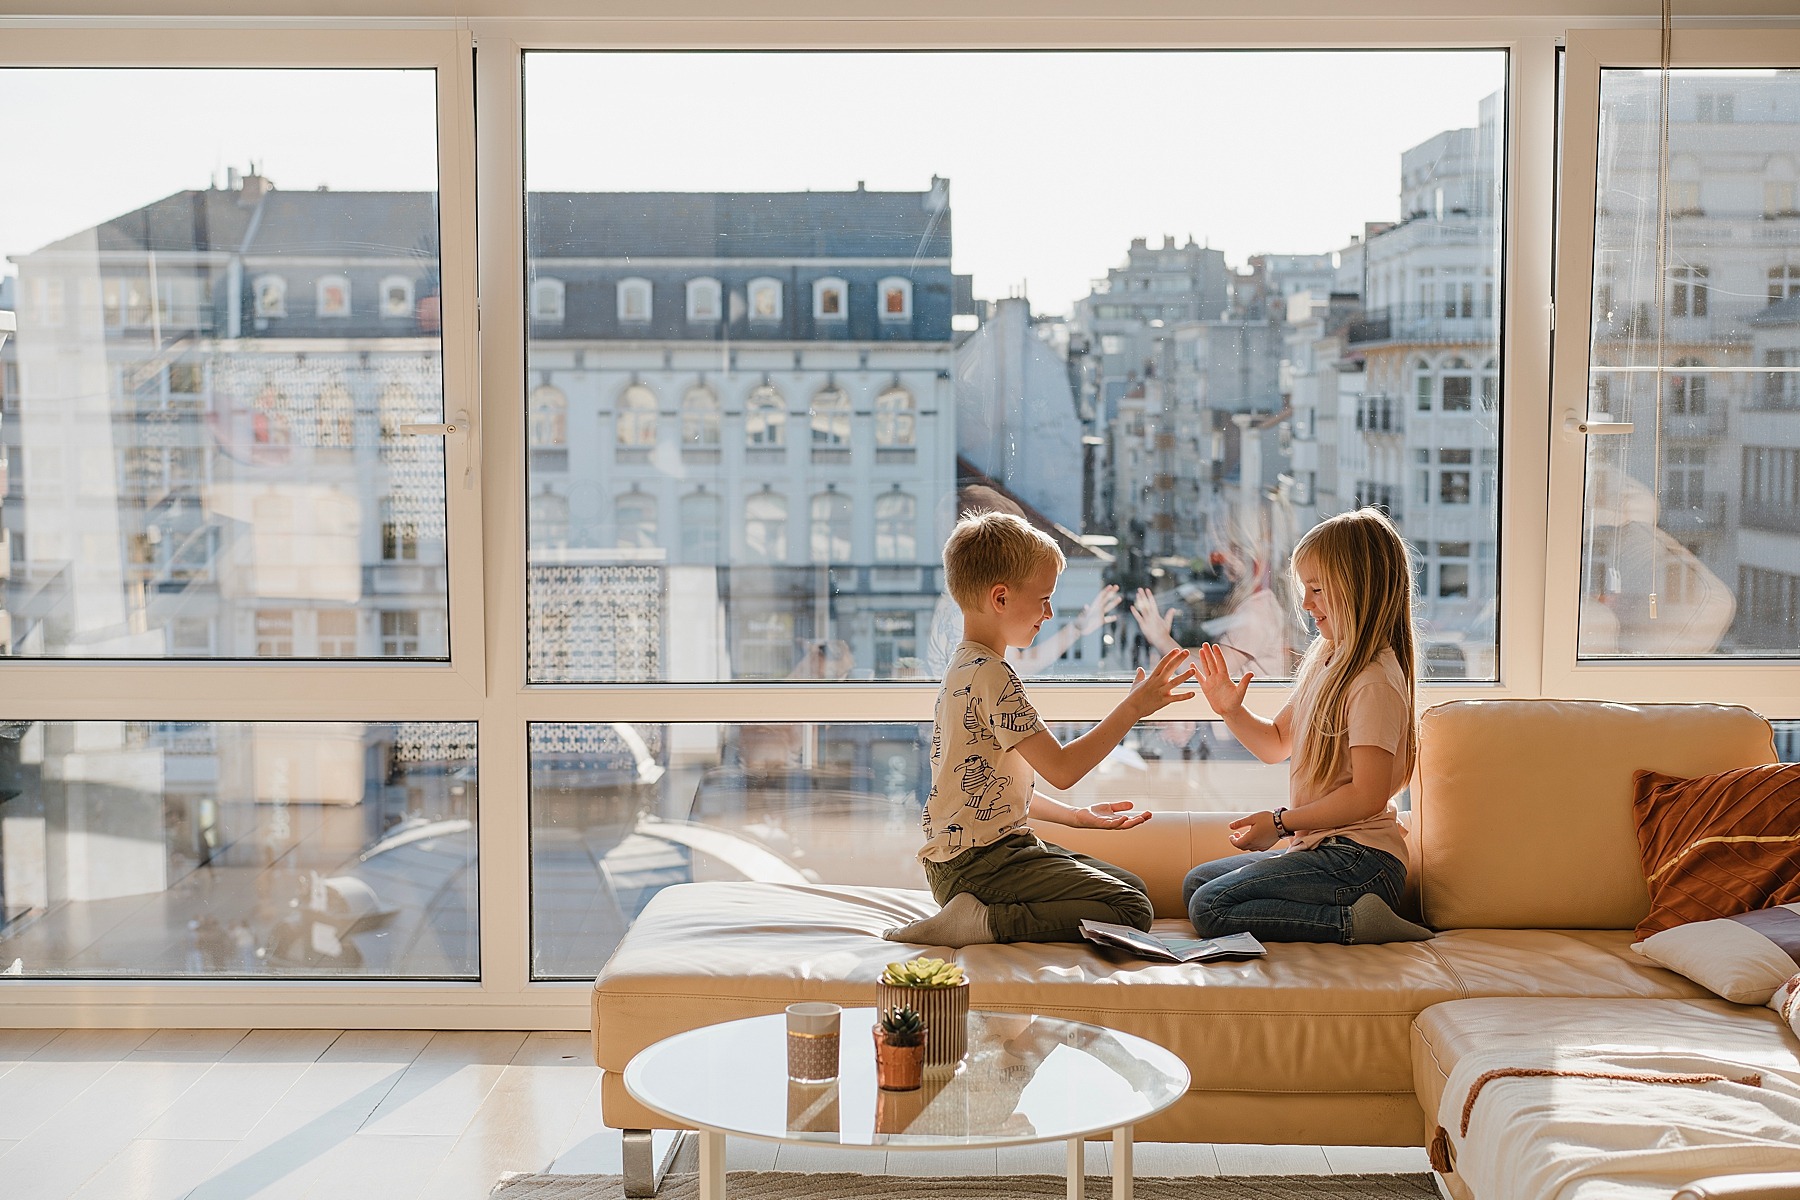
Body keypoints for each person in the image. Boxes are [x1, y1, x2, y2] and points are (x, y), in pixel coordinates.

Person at [884, 510, 1198, 948]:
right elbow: (1063, 769)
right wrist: (1133, 707)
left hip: (974, 858)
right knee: (1131, 909)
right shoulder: (994, 676)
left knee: (1132, 889)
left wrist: (1075, 818)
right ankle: (980, 922)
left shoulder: (963, 668)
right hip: (980, 865)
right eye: (1044, 599)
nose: (1049, 613)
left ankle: (974, 910)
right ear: (1000, 598)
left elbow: (989, 790)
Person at [1181, 507, 1435, 945]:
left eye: (1316, 589)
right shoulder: (1328, 658)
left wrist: (1280, 823)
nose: (1305, 604)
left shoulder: (1373, 679)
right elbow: (1276, 744)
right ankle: (1349, 910)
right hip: (1325, 850)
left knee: (1210, 906)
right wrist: (1230, 710)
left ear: (1359, 589)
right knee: (1196, 884)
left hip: (1363, 862)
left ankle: (1357, 921)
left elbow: (1367, 795)